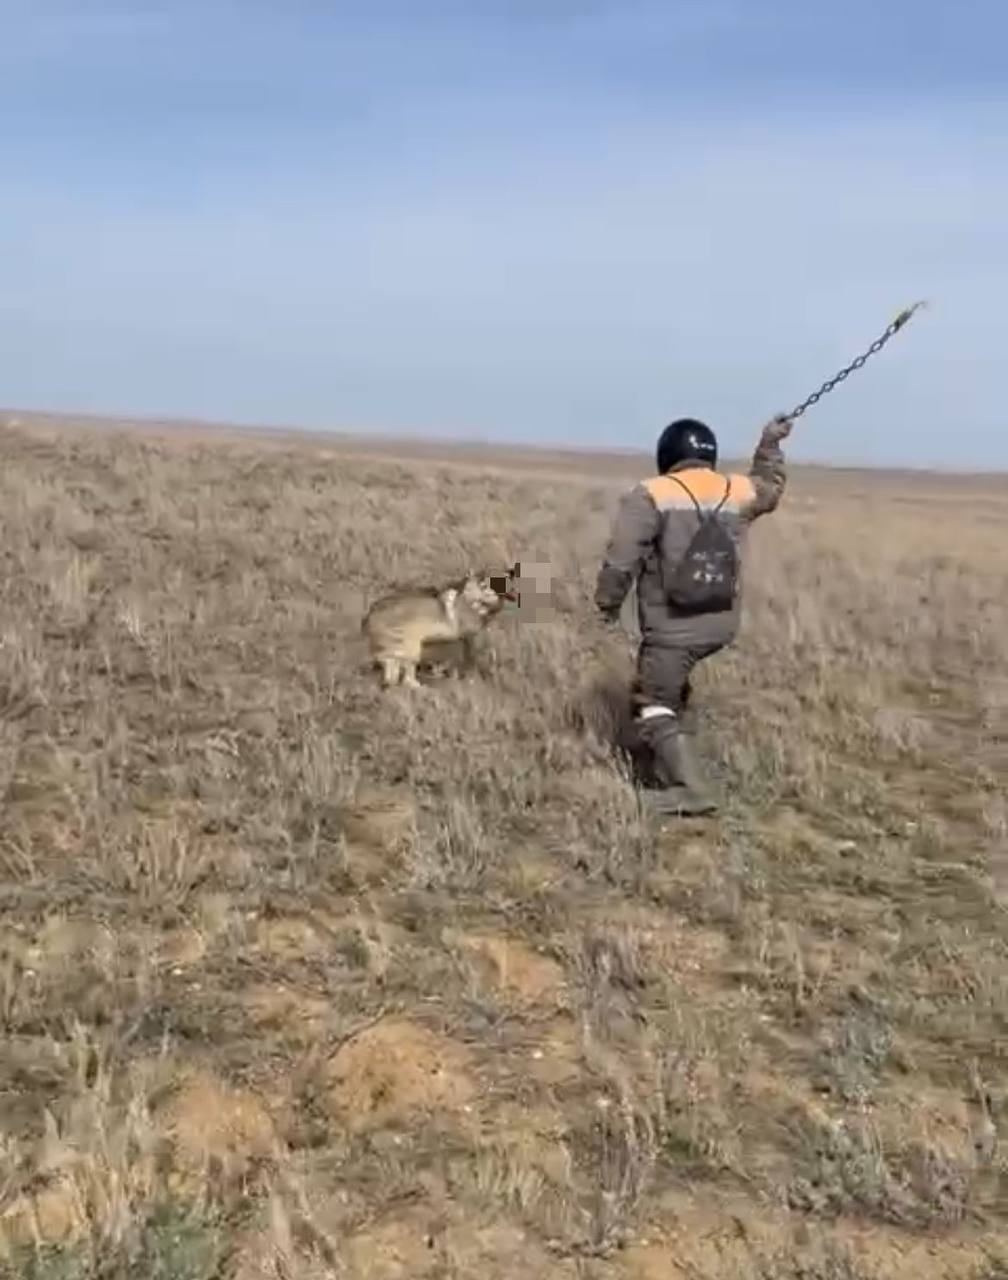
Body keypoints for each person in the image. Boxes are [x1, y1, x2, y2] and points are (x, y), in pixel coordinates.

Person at [594, 414, 793, 817]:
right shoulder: (737, 489)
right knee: (672, 689)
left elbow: (621, 560)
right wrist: (770, 443)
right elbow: (770, 488)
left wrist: (607, 605)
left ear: (666, 454)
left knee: (652, 700)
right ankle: (670, 762)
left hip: (672, 626)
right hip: (721, 623)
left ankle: (690, 790)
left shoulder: (652, 493)